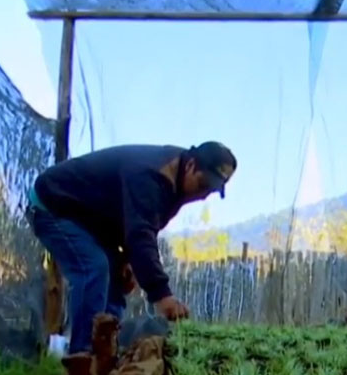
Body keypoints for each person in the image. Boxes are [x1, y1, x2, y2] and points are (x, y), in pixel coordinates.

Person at [27, 141, 236, 355]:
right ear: (191, 165)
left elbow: (136, 221)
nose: (202, 196)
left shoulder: (176, 182)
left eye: (210, 190)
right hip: (53, 206)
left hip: (89, 220)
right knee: (93, 268)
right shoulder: (150, 175)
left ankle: (104, 354)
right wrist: (162, 294)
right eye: (203, 186)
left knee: (117, 279)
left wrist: (127, 260)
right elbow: (141, 234)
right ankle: (83, 357)